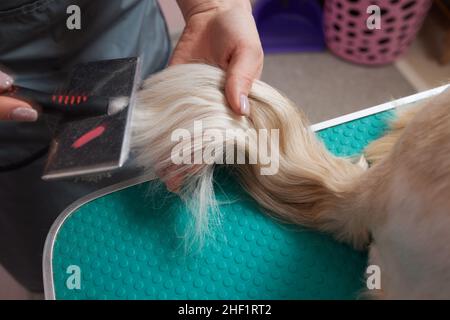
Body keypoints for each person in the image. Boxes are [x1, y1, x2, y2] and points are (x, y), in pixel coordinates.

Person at [0, 0, 263, 294]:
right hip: (16, 130)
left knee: (165, 219)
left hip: (123, 35)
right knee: (66, 267)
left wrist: (212, 8)